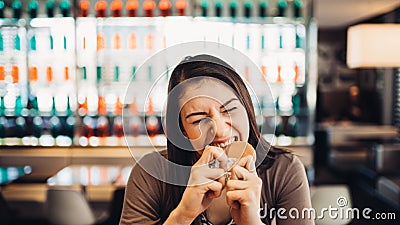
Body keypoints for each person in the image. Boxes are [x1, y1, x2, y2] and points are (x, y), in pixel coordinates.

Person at [120, 54, 313, 225]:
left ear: (247, 110)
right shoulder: (151, 173)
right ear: (182, 131)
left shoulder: (283, 170)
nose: (219, 131)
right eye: (198, 120)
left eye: (229, 110)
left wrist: (251, 221)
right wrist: (183, 214)